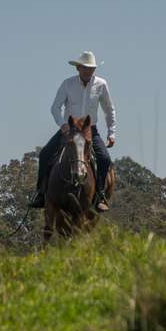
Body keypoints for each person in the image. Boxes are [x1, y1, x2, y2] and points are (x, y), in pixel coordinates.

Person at [29, 51, 117, 212]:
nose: (88, 71)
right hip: (69, 130)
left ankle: (99, 195)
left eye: (91, 68)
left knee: (104, 158)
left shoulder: (101, 84)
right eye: (85, 68)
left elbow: (109, 109)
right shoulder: (67, 84)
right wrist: (63, 124)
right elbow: (55, 107)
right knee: (45, 154)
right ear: (78, 68)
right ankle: (40, 194)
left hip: (90, 130)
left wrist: (111, 132)